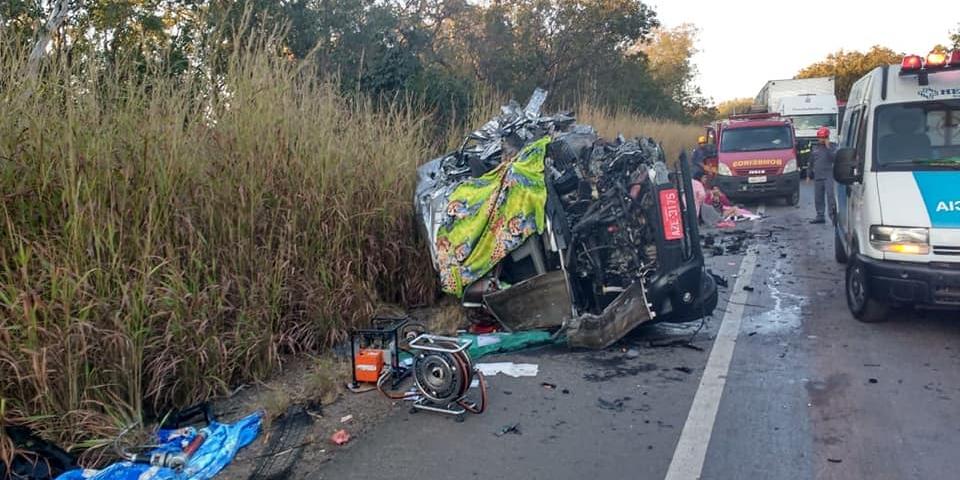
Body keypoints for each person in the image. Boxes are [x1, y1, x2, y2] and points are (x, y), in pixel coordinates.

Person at [810, 126, 837, 224]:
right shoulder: (815, 147)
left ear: (827, 137)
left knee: (831, 197)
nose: (821, 140)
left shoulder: (833, 146)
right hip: (818, 176)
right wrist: (809, 175)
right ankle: (820, 216)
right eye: (820, 138)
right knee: (818, 197)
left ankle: (833, 216)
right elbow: (811, 161)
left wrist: (828, 146)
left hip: (829, 175)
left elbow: (834, 158)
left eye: (823, 137)